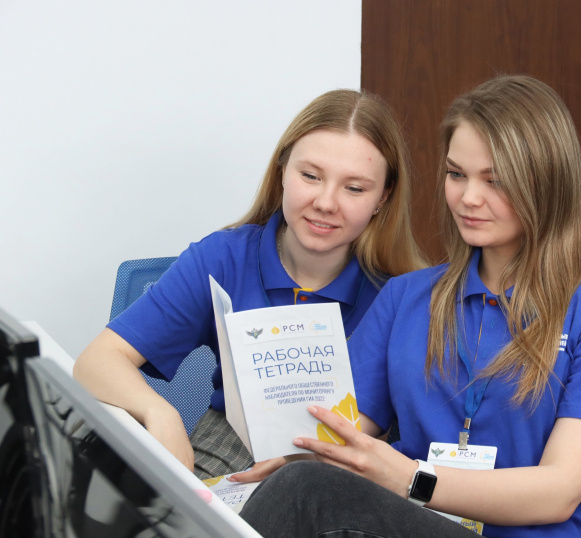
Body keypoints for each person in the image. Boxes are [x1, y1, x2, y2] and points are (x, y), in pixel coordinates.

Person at [239, 75, 581, 537]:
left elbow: (559, 492)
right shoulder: (406, 297)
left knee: (304, 490)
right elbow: (342, 431)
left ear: (547, 183)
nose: (468, 198)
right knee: (292, 483)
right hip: (414, 523)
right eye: (457, 174)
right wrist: (290, 457)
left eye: (495, 181)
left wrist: (410, 477)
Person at [73, 88, 427, 479]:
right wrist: (160, 412)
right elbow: (96, 362)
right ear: (282, 171)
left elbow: (375, 430)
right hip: (228, 451)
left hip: (337, 463)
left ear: (383, 197)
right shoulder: (223, 258)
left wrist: (300, 462)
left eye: (354, 188)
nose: (326, 203)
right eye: (310, 176)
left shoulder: (404, 295)